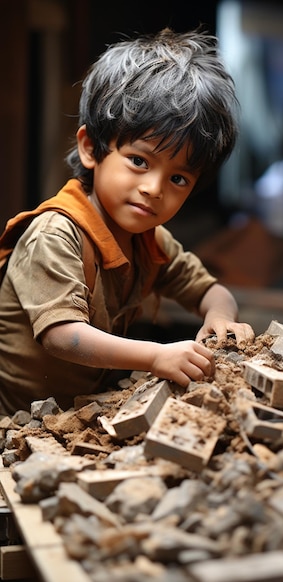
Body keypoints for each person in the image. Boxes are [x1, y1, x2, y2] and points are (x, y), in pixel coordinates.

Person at [0, 27, 255, 415]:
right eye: (139, 161)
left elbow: (212, 291)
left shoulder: (149, 240)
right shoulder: (56, 234)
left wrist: (220, 320)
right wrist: (156, 356)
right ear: (91, 148)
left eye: (178, 178)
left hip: (80, 415)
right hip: (16, 422)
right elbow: (63, 337)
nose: (154, 188)